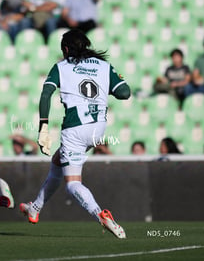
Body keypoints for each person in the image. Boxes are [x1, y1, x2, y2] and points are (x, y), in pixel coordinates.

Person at [20, 29, 130, 238]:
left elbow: (46, 95)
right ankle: (35, 208)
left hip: (75, 127)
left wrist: (43, 127)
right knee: (57, 161)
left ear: (66, 49)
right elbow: (125, 93)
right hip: (98, 128)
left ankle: (101, 215)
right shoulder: (104, 66)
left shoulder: (61, 67)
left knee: (73, 183)